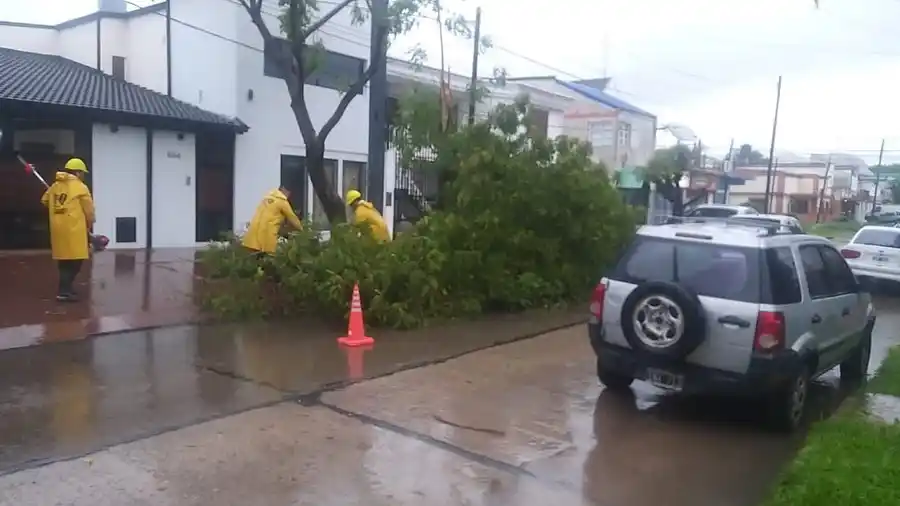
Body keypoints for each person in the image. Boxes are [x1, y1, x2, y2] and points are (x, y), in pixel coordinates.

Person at [40, 157, 95, 302]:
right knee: (77, 261)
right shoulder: (80, 187)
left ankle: (66, 289)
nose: (83, 175)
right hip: (74, 229)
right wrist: (91, 222)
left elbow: (44, 200)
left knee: (64, 262)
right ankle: (64, 291)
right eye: (82, 172)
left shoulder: (55, 186)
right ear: (77, 172)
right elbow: (89, 210)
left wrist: (57, 208)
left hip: (58, 229)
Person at [242, 186, 303, 256]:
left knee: (253, 259)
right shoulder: (282, 202)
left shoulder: (266, 198)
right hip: (267, 234)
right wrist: (302, 230)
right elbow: (292, 218)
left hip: (253, 233)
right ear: (285, 190)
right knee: (268, 258)